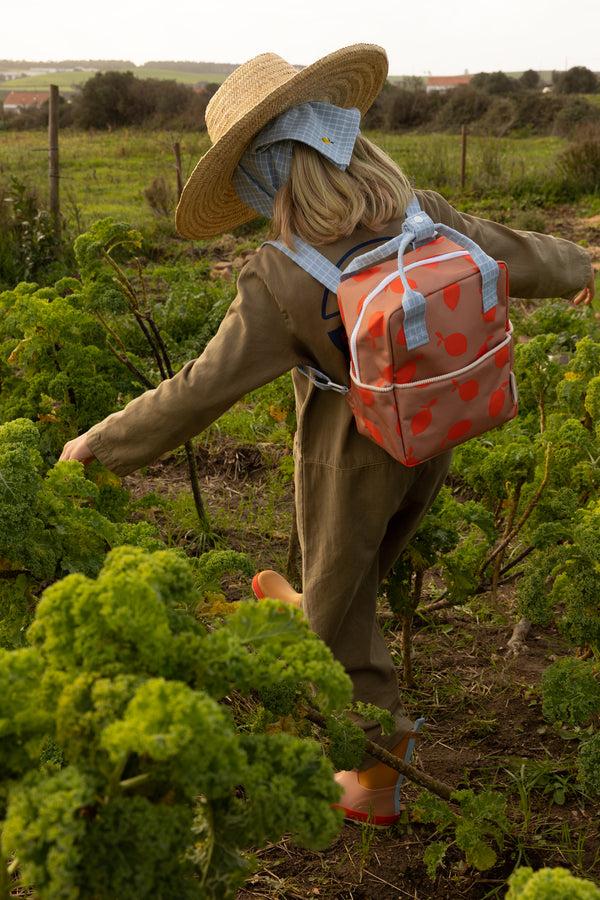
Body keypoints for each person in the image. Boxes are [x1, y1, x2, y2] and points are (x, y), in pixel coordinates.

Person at [60, 44, 594, 826]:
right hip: (437, 426)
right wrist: (581, 265)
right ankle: (319, 598)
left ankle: (375, 777)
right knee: (367, 557)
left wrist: (95, 446)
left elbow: (193, 395)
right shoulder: (424, 213)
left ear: (261, 176)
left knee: (344, 618)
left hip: (351, 451)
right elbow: (512, 253)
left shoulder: (280, 277)